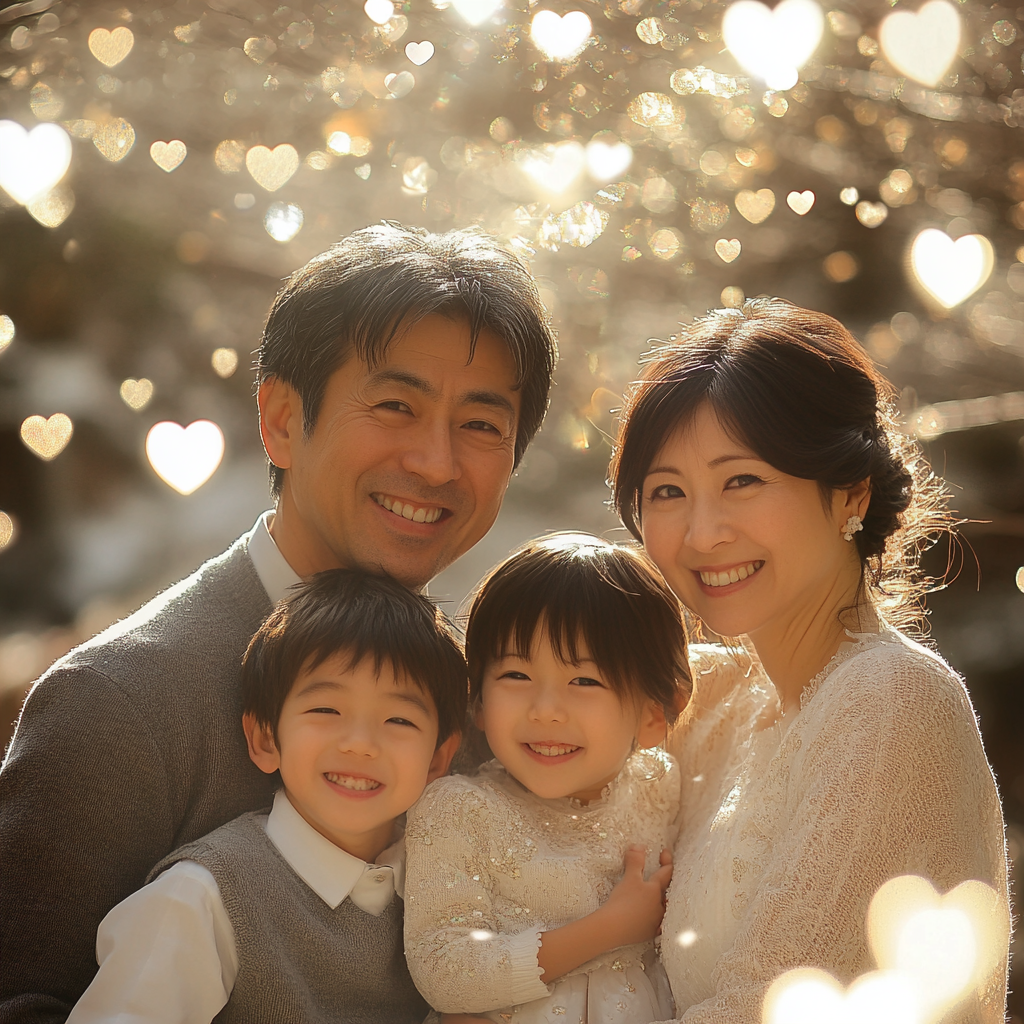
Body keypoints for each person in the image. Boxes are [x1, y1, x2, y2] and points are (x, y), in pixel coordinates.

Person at [0, 223, 557, 1022]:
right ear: (282, 420)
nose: (436, 463)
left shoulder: (490, 703)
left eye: (480, 424)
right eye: (396, 405)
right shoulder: (116, 705)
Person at [608, 299, 1010, 1023]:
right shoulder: (717, 705)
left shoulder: (891, 699)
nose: (702, 535)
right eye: (668, 492)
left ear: (849, 494)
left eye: (742, 481)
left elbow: (769, 1007)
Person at [66, 569, 467, 1024]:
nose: (360, 743)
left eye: (399, 720)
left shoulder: (446, 883)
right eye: (326, 709)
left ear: (438, 759)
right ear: (264, 739)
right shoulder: (199, 902)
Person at [404, 533, 692, 1024]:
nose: (545, 711)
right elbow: (442, 970)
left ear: (653, 715)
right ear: (477, 699)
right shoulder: (458, 809)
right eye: (516, 675)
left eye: (584, 681)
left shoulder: (655, 783)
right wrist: (610, 927)